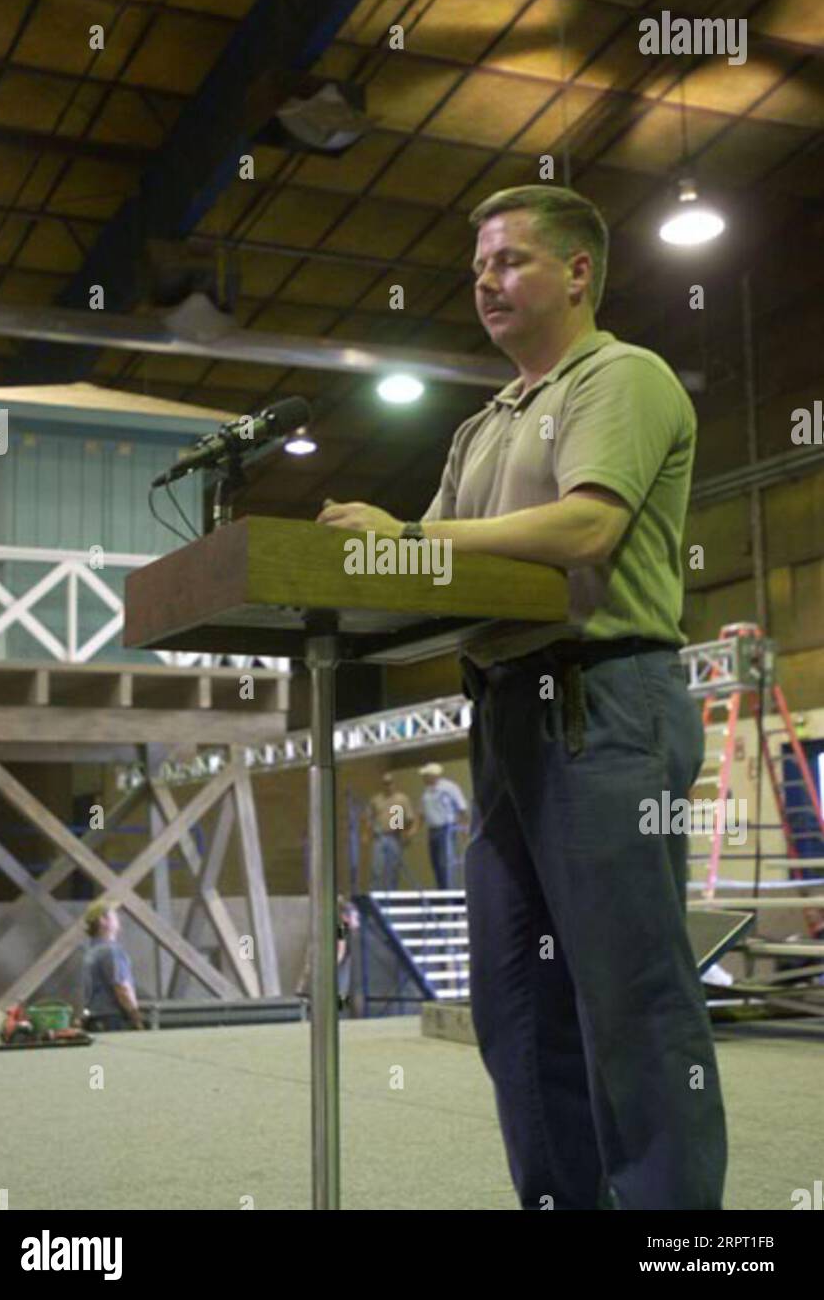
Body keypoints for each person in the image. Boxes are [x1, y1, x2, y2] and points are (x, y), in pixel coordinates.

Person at [316, 183, 725, 1211]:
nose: (487, 283)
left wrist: (403, 538)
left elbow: (583, 531)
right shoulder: (481, 426)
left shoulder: (620, 378)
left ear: (578, 271)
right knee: (514, 1006)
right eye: (478, 269)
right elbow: (436, 572)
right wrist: (343, 569)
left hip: (603, 701)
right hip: (502, 714)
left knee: (630, 1002)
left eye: (511, 262)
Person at [82, 899, 143, 1032]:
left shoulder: (91, 952)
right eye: (114, 915)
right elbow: (121, 987)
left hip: (95, 1018)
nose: (118, 918)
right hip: (113, 1020)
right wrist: (135, 1015)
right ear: (103, 920)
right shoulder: (111, 951)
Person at [416, 763, 469, 889]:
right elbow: (421, 815)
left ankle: (449, 895)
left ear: (434, 775)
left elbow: (462, 808)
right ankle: (442, 892)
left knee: (445, 864)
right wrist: (410, 831)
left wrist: (465, 828)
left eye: (425, 775)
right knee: (436, 865)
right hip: (432, 831)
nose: (423, 778)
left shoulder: (449, 787)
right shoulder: (426, 792)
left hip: (446, 830)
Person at [366, 772, 415, 890]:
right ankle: (375, 896)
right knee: (376, 869)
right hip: (380, 837)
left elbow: (409, 818)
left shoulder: (401, 799)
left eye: (390, 783)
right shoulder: (376, 800)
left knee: (392, 870)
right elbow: (368, 817)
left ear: (394, 784)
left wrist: (406, 833)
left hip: (395, 837)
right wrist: (367, 833)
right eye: (385, 783)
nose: (388, 786)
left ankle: (391, 896)